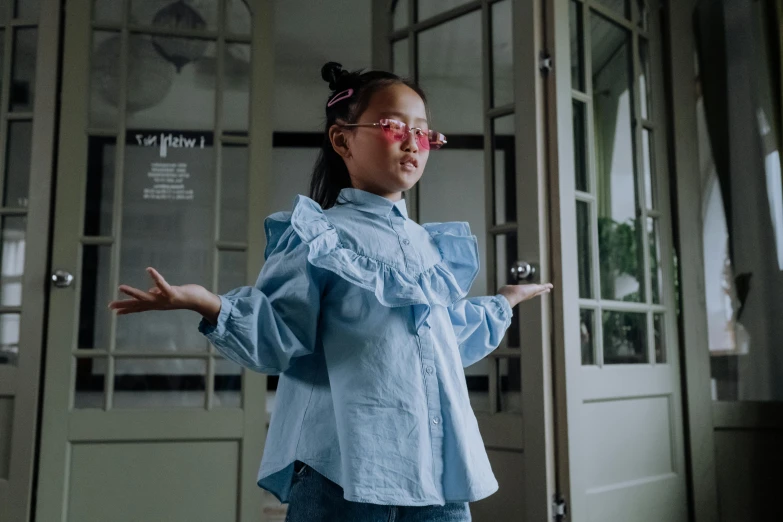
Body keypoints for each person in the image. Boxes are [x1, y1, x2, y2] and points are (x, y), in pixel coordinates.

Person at [109, 61, 553, 522]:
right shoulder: (319, 235)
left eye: (423, 132)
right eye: (393, 126)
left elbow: (436, 343)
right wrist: (207, 302)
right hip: (343, 468)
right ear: (342, 139)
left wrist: (503, 302)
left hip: (436, 471)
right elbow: (280, 332)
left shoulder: (429, 245)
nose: (412, 142)